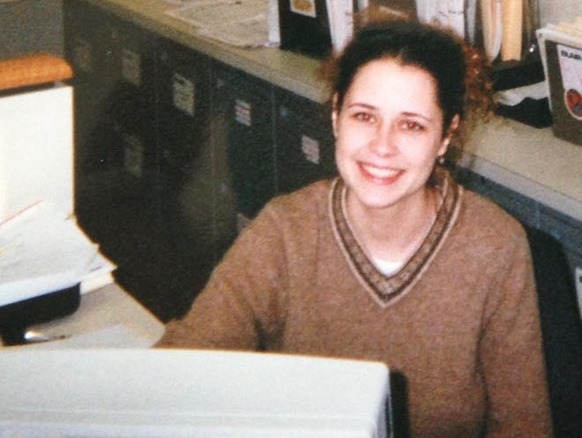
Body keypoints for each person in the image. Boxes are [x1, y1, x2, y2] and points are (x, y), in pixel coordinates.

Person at [156, 19, 552, 438]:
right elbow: (187, 362)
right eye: (364, 116)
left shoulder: (494, 247)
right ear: (336, 118)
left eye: (412, 124)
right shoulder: (286, 230)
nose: (382, 146)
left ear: (445, 136)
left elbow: (524, 427)